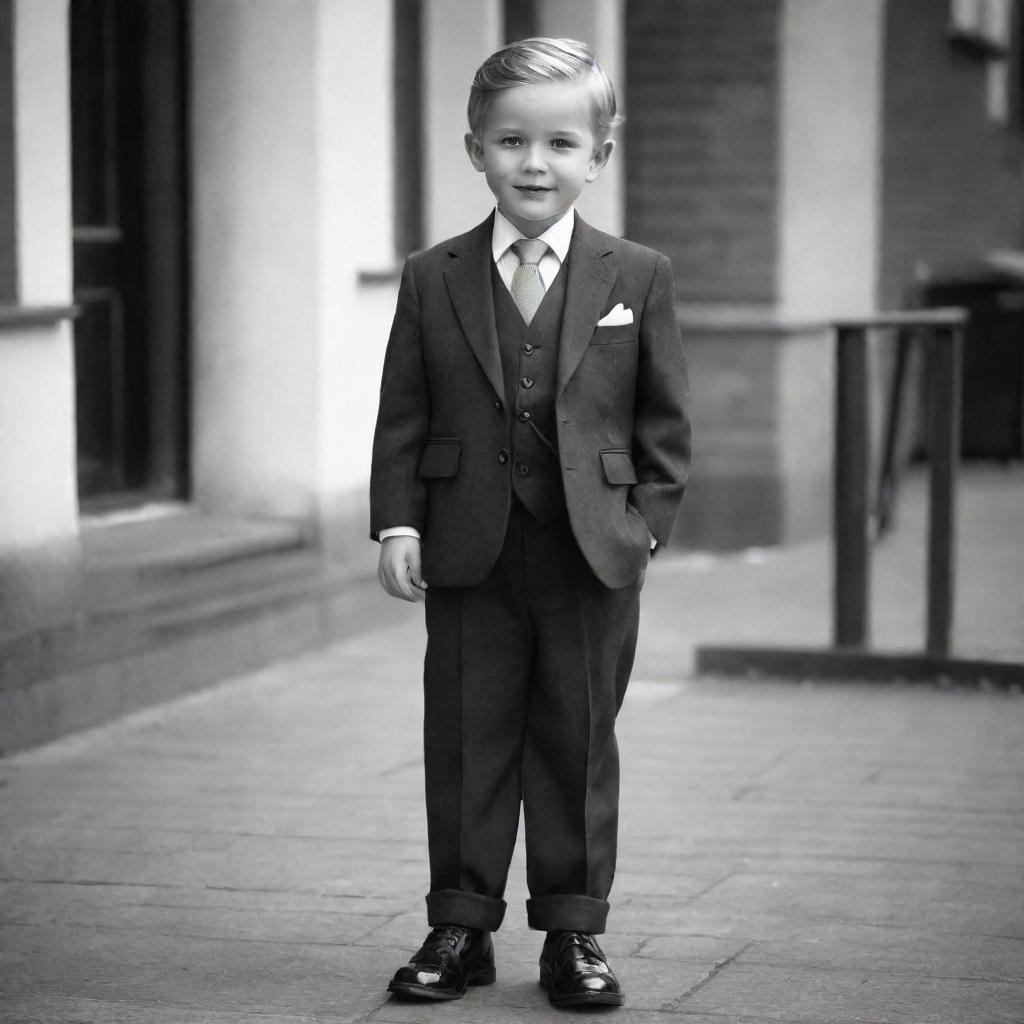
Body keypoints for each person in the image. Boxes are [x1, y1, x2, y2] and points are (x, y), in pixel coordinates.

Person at [369, 36, 690, 1009]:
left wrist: (645, 526)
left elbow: (663, 420)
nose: (534, 163)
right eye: (511, 141)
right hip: (469, 547)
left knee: (576, 735)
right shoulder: (434, 274)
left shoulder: (635, 273)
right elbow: (403, 411)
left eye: (559, 142)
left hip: (591, 549)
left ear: (600, 152)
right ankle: (459, 927)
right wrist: (397, 524)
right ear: (475, 148)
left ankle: (574, 935)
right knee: (467, 735)